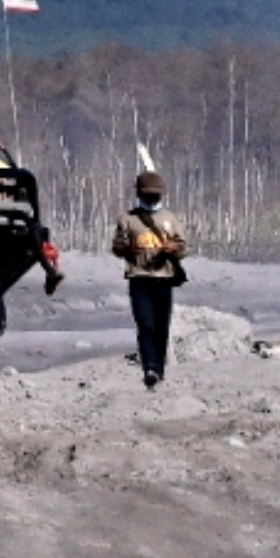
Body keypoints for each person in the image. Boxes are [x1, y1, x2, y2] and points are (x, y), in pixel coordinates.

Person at [109, 164, 191, 390]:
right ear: (139, 194)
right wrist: (127, 248)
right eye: (148, 194)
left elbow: (184, 247)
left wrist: (171, 248)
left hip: (164, 279)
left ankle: (159, 370)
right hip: (139, 279)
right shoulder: (127, 219)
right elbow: (116, 247)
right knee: (145, 325)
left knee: (162, 327)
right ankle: (149, 368)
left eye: (155, 194)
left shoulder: (170, 218)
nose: (152, 198)